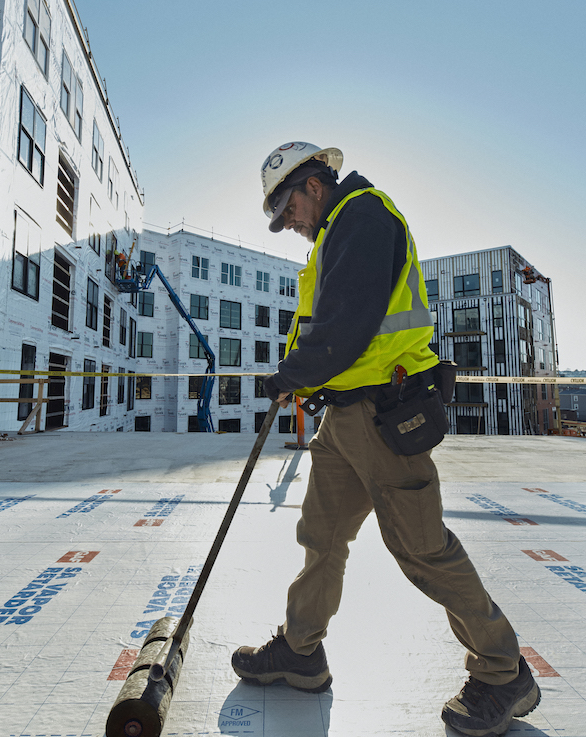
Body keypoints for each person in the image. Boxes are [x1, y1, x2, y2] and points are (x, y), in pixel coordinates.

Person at [230, 142, 541, 736]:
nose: (288, 222)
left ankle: (504, 672)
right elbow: (335, 328)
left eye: (287, 208)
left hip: (381, 414)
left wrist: (289, 377)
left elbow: (348, 324)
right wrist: (306, 381)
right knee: (321, 536)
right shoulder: (336, 232)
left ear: (313, 186)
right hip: (343, 417)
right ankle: (301, 651)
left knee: (422, 550)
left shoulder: (364, 217)